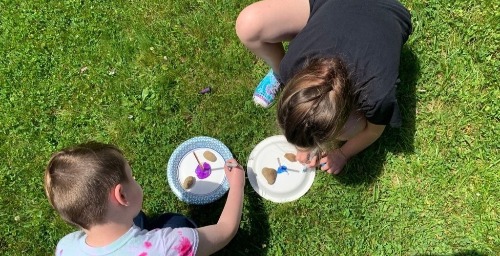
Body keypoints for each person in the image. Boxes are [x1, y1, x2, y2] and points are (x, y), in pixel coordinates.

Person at [236, 0, 412, 174]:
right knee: (248, 26)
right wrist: (305, 144)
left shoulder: (376, 95)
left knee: (352, 128)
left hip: (389, 11)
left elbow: (373, 131)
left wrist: (342, 153)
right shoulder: (290, 66)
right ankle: (278, 77)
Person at [44, 142, 245, 256]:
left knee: (139, 218)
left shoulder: (65, 248)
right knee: (179, 223)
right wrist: (237, 185)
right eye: (131, 176)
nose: (135, 179)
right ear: (121, 195)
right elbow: (225, 230)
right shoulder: (168, 246)